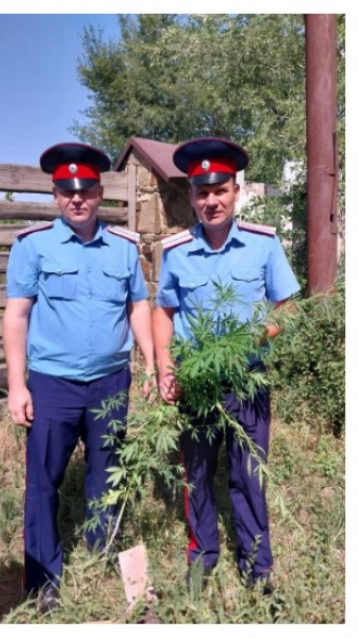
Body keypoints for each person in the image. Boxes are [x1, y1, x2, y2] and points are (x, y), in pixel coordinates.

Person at [3, 142, 155, 611]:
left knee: (105, 472)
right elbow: (16, 316)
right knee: (43, 480)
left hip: (111, 382)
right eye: (67, 191)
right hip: (53, 385)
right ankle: (44, 577)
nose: (77, 199)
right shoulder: (34, 246)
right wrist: (16, 383)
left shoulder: (124, 248)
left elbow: (139, 306)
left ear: (99, 192)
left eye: (86, 190)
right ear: (55, 195)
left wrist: (150, 362)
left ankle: (97, 551)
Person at [153, 137, 300, 591]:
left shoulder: (263, 244)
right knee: (196, 476)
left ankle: (257, 567)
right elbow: (164, 312)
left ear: (235, 191)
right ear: (192, 196)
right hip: (196, 384)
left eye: (219, 190)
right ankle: (203, 557)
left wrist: (252, 340)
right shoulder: (176, 251)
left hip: (248, 381)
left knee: (249, 476)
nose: (210, 201)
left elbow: (288, 308)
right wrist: (164, 366)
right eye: (201, 192)